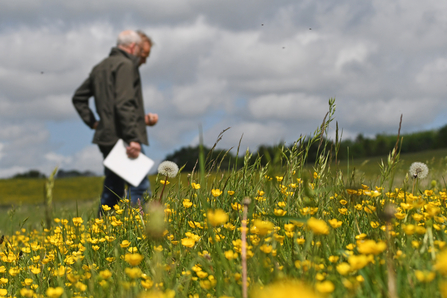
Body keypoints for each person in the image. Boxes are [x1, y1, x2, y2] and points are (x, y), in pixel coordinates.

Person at [72, 30, 158, 214]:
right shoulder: (126, 65)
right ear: (133, 46)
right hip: (125, 138)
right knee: (139, 187)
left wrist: (95, 123)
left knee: (114, 189)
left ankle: (101, 230)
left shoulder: (100, 67)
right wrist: (133, 138)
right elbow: (123, 104)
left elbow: (78, 98)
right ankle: (139, 229)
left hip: (107, 138)